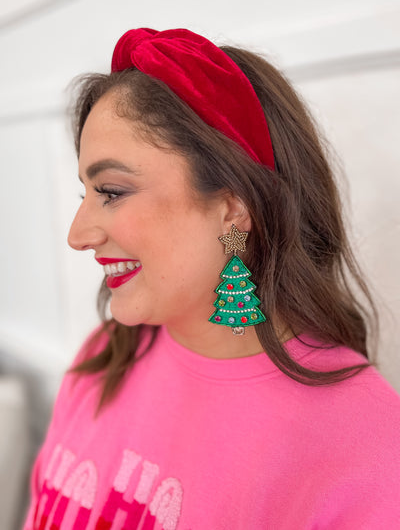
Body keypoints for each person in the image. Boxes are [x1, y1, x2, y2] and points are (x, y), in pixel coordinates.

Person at [24, 28, 400, 529]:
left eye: (111, 192)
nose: (78, 235)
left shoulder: (369, 447)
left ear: (232, 208)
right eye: (85, 194)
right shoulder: (105, 357)